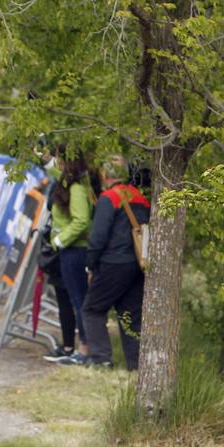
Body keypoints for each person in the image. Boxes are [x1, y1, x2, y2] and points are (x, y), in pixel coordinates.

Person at [82, 157, 148, 371]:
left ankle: (102, 360)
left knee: (92, 309)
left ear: (106, 176)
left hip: (113, 263)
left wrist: (91, 266)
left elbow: (98, 237)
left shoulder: (108, 198)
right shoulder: (141, 197)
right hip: (138, 264)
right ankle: (136, 365)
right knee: (130, 315)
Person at [46, 153, 95, 364]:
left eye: (60, 159)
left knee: (79, 300)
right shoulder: (69, 181)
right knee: (76, 300)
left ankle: (85, 349)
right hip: (69, 250)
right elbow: (54, 171)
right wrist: (45, 158)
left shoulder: (76, 189)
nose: (57, 164)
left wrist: (59, 240)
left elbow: (82, 220)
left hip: (75, 250)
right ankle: (83, 347)